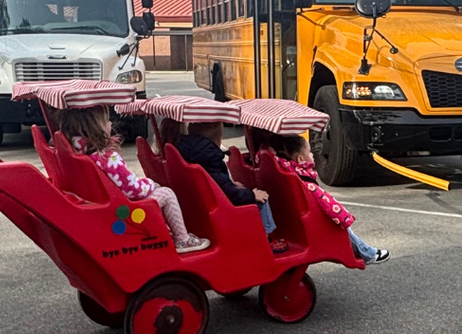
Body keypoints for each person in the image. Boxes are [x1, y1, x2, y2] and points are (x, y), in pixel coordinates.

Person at [57, 106, 209, 253]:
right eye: (106, 121)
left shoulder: (81, 153)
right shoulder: (107, 158)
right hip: (123, 211)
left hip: (105, 206)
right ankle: (183, 239)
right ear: (97, 128)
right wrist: (151, 184)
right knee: (167, 194)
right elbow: (133, 190)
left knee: (154, 189)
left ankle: (168, 232)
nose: (110, 124)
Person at [165, 120, 288, 254]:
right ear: (218, 140)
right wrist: (251, 195)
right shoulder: (209, 156)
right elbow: (228, 192)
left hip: (202, 201)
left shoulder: (188, 151)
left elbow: (216, 181)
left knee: (247, 191)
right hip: (220, 205)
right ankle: (266, 240)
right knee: (261, 199)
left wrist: (231, 184)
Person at [273, 135, 389, 264]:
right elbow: (325, 202)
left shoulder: (285, 171)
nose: (312, 155)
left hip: (296, 218)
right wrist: (342, 217)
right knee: (342, 228)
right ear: (300, 159)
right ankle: (368, 253)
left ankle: (366, 251)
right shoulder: (305, 182)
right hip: (313, 219)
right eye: (310, 152)